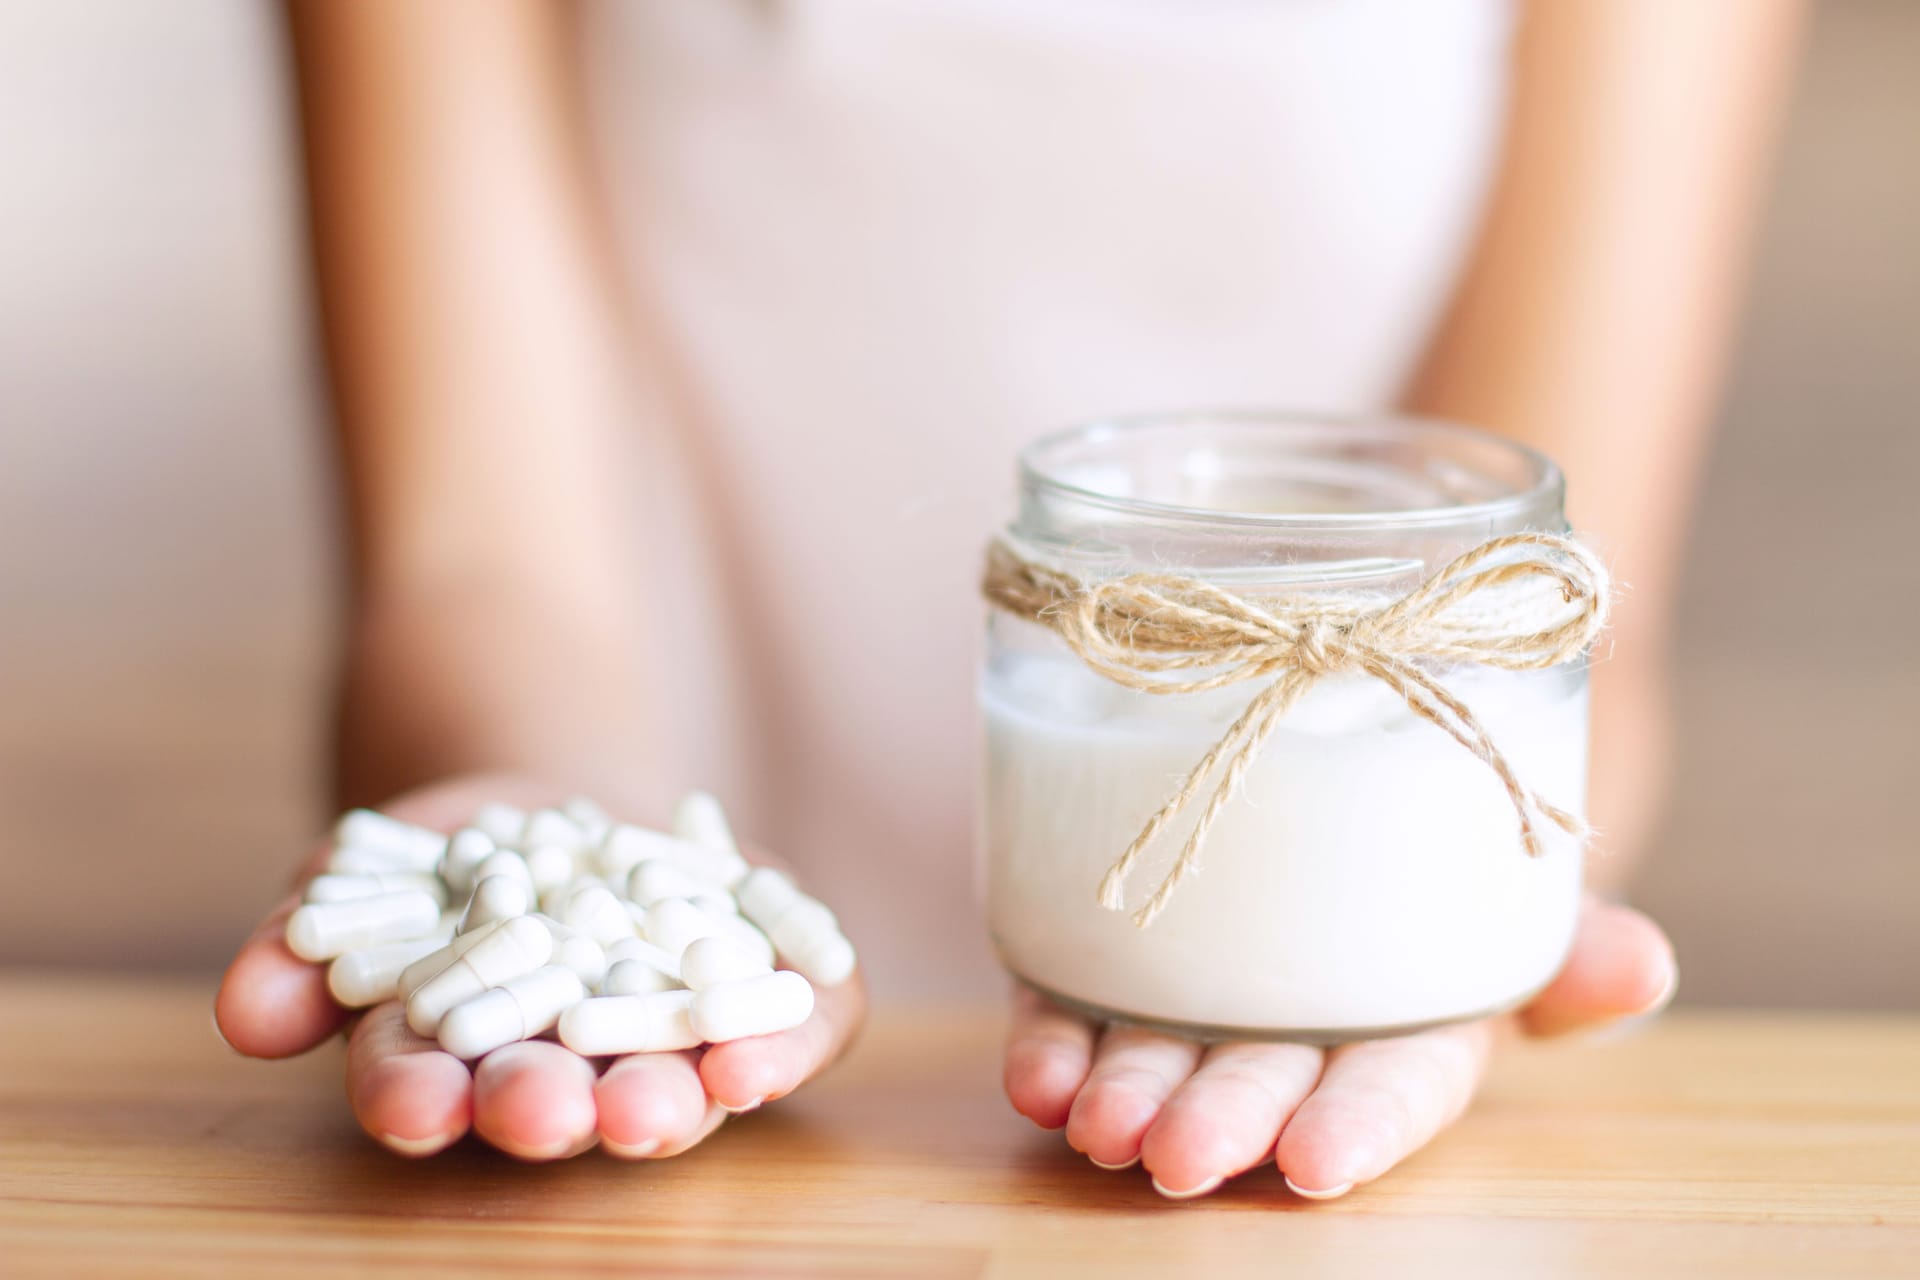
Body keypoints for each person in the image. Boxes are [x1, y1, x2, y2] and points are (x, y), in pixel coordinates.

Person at [216, 0, 1802, 1194]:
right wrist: (549, 822)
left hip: (1349, 1003)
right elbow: (474, 559)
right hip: (711, 980)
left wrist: (1462, 918)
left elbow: (1541, 601)